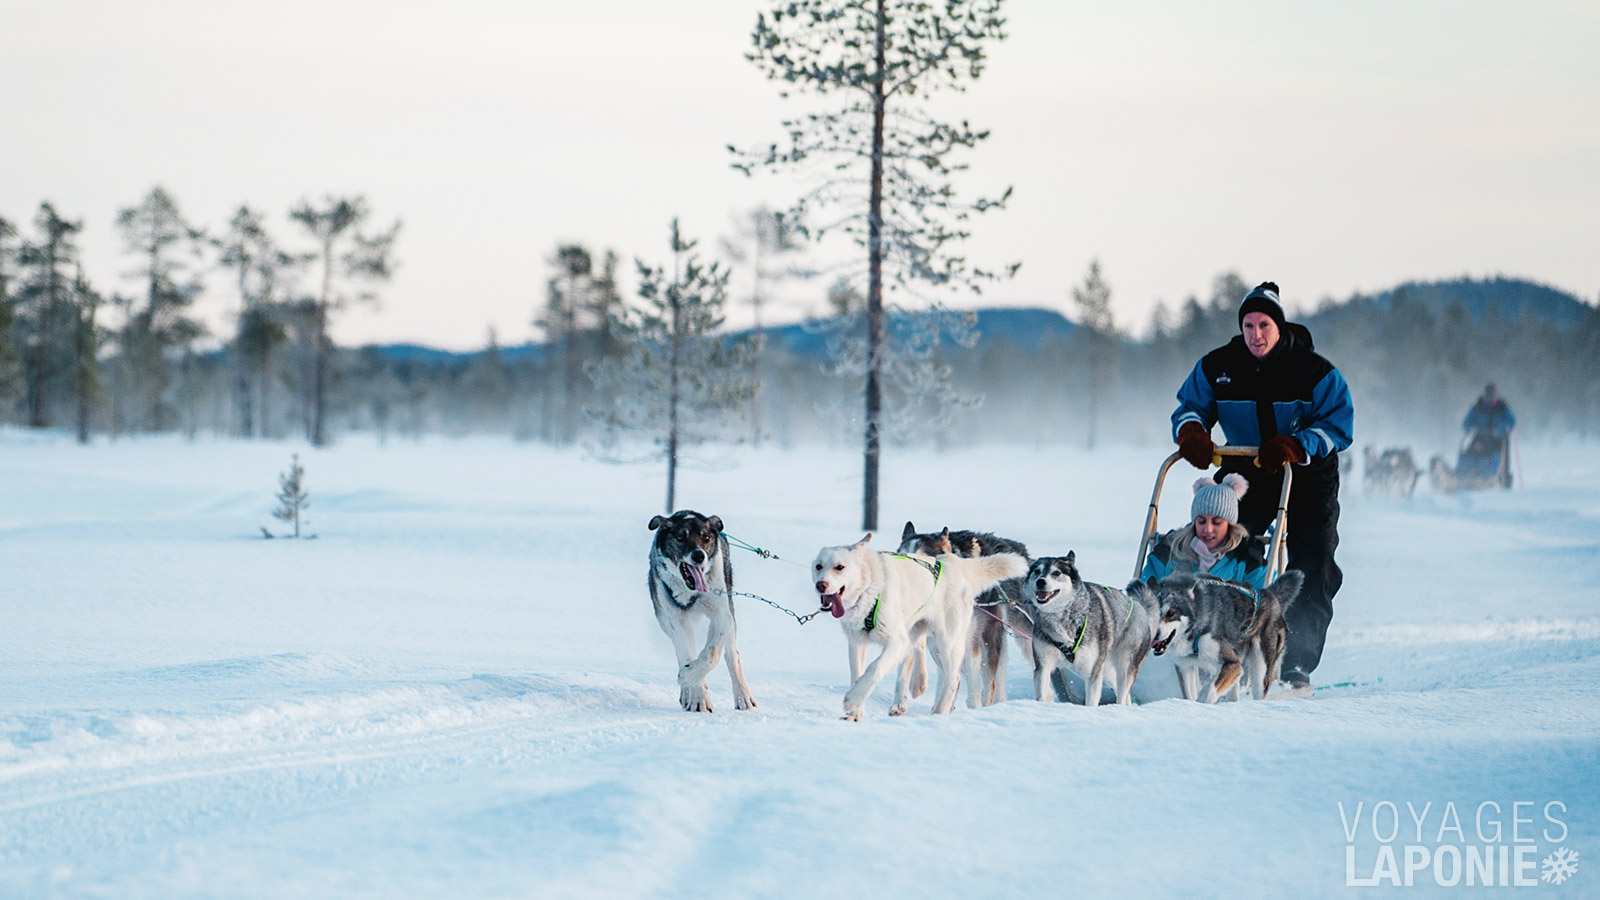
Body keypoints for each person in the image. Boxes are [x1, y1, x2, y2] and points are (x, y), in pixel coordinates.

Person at [1169, 281, 1354, 696]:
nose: (1256, 334)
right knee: (1220, 543)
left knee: (1312, 564)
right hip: (1245, 469)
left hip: (1306, 473)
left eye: (1264, 325)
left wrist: (1297, 444)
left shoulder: (1313, 370)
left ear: (1279, 327)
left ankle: (1295, 665)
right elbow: (1188, 406)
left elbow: (1340, 423)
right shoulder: (1220, 365)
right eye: (1248, 325)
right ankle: (1206, 643)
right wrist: (1193, 432)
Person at [1142, 473, 1268, 588]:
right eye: (1201, 521)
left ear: (1230, 524)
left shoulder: (1248, 558)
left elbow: (1262, 605)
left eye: (1217, 522)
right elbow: (1145, 593)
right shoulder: (1170, 550)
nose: (1208, 529)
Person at [1461, 383, 1516, 488]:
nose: (1489, 399)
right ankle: (1465, 473)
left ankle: (1500, 477)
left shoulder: (1502, 407)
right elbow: (1467, 421)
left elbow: (1512, 422)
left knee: (1496, 457)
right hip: (1480, 437)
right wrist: (1468, 426)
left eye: (1492, 396)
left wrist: (1502, 428)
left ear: (1496, 396)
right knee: (1470, 454)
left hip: (1498, 439)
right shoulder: (1478, 406)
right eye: (1488, 396)